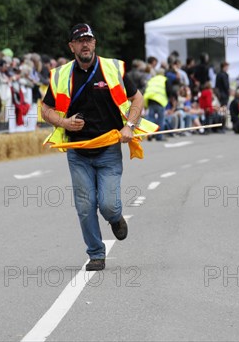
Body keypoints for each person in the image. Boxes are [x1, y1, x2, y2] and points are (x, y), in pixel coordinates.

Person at [41, 24, 158, 271]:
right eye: (80, 40)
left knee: (108, 205)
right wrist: (64, 123)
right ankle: (96, 254)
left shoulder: (112, 69)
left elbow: (136, 98)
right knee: (84, 207)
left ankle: (115, 218)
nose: (85, 44)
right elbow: (45, 109)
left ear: (94, 43)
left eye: (89, 39)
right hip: (78, 152)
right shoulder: (61, 75)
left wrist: (130, 126)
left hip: (108, 149)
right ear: (71, 46)